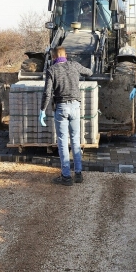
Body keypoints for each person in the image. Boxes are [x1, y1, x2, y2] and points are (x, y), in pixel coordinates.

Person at [39, 46, 92, 185]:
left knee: (62, 142)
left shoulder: (51, 70)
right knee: (75, 140)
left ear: (53, 57)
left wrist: (42, 110)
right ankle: (79, 174)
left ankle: (66, 176)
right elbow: (89, 72)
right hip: (75, 106)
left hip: (61, 108)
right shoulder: (74, 65)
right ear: (65, 55)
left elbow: (47, 93)